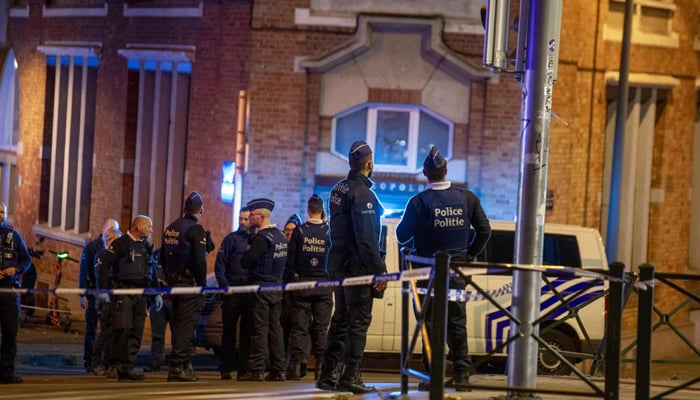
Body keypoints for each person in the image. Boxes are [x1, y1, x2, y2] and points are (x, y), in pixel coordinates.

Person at [396, 146, 491, 391]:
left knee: (429, 322)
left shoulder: (418, 202)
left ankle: (434, 376)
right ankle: (462, 375)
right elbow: (485, 231)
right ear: (446, 171)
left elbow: (402, 235)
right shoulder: (467, 198)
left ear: (425, 173)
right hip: (457, 271)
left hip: (427, 273)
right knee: (457, 321)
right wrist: (470, 254)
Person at [316, 141, 388, 394]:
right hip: (357, 268)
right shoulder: (363, 194)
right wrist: (379, 270)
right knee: (358, 322)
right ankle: (350, 376)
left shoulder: (338, 188)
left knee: (341, 319)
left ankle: (328, 374)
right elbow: (367, 239)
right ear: (369, 163)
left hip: (338, 264)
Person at [103, 215, 162, 381]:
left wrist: (156, 293)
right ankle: (116, 365)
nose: (151, 230)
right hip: (123, 292)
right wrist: (104, 290)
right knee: (122, 329)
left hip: (140, 294)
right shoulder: (120, 244)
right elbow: (105, 266)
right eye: (148, 227)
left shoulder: (145, 246)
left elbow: (152, 270)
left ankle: (128, 367)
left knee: (136, 331)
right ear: (138, 227)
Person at [161, 191, 210, 382]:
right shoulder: (196, 230)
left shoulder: (171, 227)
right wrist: (202, 283)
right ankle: (178, 366)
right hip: (189, 285)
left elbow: (163, 257)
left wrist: (167, 276)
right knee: (185, 326)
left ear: (184, 209)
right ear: (201, 211)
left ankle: (182, 364)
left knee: (177, 325)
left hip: (173, 284)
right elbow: (200, 261)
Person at [238, 198, 287, 382]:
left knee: (259, 329)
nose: (249, 218)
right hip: (276, 288)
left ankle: (257, 369)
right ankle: (279, 369)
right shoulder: (280, 236)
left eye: (252, 215)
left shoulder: (261, 239)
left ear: (261, 216)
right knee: (276, 330)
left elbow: (246, 261)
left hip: (262, 288)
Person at [284, 194, 332, 380]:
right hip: (324, 285)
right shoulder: (329, 232)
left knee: (300, 327)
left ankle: (296, 366)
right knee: (321, 327)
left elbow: (291, 260)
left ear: (308, 210)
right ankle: (320, 366)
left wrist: (291, 280)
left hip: (302, 285)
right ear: (321, 211)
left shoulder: (300, 231)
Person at [214, 206, 252, 380]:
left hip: (249, 293)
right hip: (232, 291)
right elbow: (219, 264)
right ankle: (226, 368)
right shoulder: (231, 239)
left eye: (245, 219)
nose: (242, 222)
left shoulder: (256, 239)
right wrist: (225, 286)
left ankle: (244, 369)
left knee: (247, 332)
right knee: (228, 332)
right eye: (240, 219)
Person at [80, 218, 119, 373]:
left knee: (107, 331)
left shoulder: (116, 251)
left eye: (114, 231)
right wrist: (83, 294)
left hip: (110, 296)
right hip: (96, 294)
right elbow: (86, 272)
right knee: (93, 330)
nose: (111, 235)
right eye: (109, 231)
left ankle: (105, 362)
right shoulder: (93, 250)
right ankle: (90, 362)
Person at [0, 202, 31, 384]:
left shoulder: (14, 235)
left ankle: (6, 372)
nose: (0, 215)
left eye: (2, 212)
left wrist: (16, 269)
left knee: (10, 332)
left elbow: (27, 260)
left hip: (9, 291)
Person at [92, 227, 122, 377]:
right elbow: (102, 276)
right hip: (106, 299)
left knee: (113, 333)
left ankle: (110, 363)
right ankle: (97, 363)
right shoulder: (101, 255)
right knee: (105, 333)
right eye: (111, 239)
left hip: (116, 298)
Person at [144, 249, 172, 373]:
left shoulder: (180, 252)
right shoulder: (156, 254)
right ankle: (156, 360)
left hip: (173, 298)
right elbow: (151, 274)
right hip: (158, 298)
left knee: (177, 333)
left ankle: (177, 362)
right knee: (157, 334)